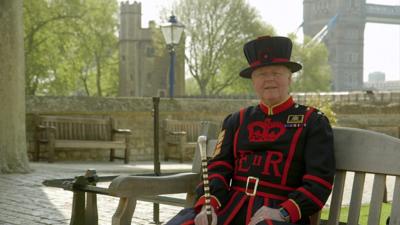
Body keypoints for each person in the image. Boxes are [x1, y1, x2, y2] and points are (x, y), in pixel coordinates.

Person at [166, 36, 335, 225]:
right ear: (253, 81)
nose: (269, 79)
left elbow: (319, 182)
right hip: (231, 208)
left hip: (278, 214)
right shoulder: (236, 121)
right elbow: (219, 168)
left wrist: (283, 212)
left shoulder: (312, 122)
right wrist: (209, 205)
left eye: (276, 72)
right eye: (262, 74)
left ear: (289, 77)